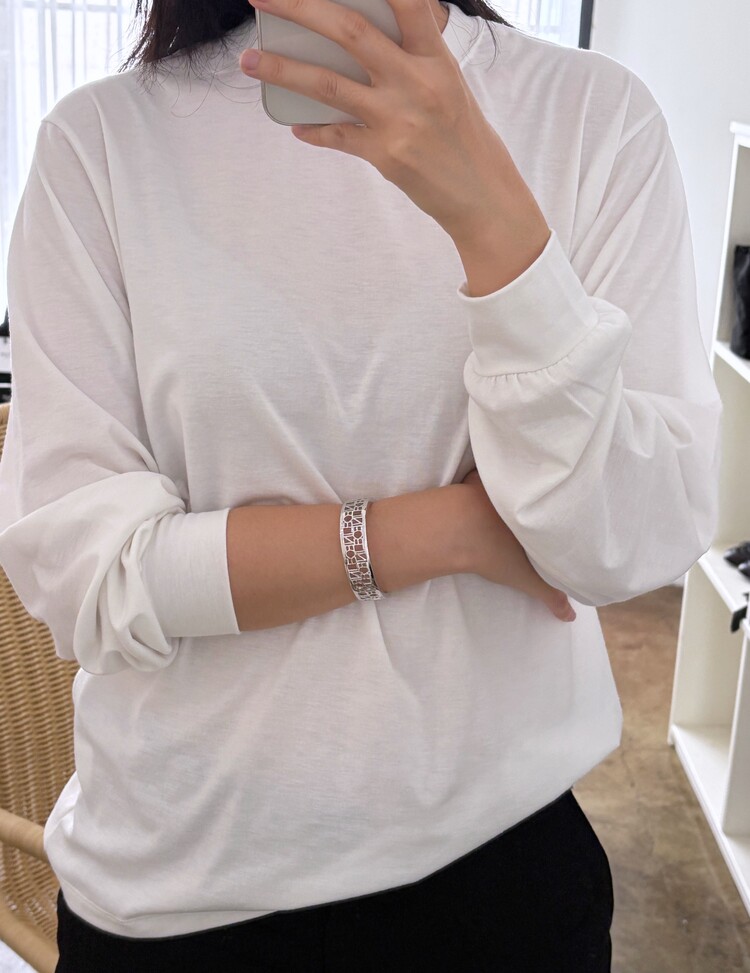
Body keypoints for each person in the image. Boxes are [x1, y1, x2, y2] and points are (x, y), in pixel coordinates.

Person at [0, 0, 722, 970]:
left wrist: (492, 217)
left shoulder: (593, 116)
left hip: (501, 864)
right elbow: (93, 579)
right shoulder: (100, 144)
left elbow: (632, 539)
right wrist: (456, 529)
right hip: (186, 886)